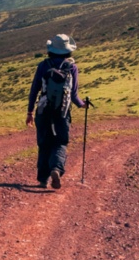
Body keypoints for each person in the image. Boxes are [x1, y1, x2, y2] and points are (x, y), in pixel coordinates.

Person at [26, 34, 86, 189]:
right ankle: (56, 169)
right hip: (62, 112)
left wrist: (30, 112)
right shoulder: (71, 67)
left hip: (43, 110)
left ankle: (43, 180)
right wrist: (82, 104)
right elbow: (73, 94)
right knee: (60, 142)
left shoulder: (43, 65)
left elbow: (35, 89)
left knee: (44, 144)